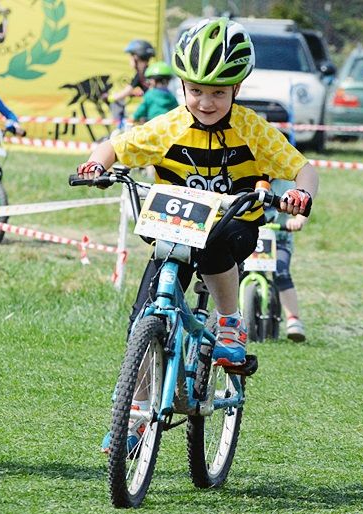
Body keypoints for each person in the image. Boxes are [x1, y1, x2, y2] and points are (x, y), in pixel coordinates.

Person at [78, 18, 318, 451]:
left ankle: (229, 324)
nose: (206, 102)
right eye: (196, 91)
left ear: (237, 90)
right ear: (182, 87)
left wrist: (301, 193)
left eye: (218, 93)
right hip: (177, 226)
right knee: (144, 317)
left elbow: (304, 168)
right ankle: (136, 413)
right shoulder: (168, 126)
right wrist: (96, 165)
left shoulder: (252, 130)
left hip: (234, 226)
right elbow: (116, 145)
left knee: (213, 248)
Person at [265, 178, 308, 342]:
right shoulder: (251, 178)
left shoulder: (287, 184)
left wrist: (298, 220)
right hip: (253, 237)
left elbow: (302, 203)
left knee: (281, 271)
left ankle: (293, 319)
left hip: (280, 238)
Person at [106, 39, 155, 117]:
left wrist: (110, 97)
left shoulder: (141, 74)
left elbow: (126, 92)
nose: (129, 60)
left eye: (131, 56)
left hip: (152, 111)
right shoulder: (150, 72)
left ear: (136, 57)